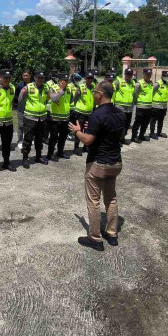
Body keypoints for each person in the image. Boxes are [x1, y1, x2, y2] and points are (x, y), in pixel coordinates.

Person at [69, 80, 125, 251]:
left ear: (100, 95)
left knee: (93, 201)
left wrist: (77, 131)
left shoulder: (97, 115)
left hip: (98, 164)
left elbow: (88, 140)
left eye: (94, 92)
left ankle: (95, 238)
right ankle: (112, 234)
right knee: (111, 198)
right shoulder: (121, 113)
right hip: (115, 163)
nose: (93, 95)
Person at [18, 70, 50, 168]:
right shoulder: (27, 87)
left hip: (42, 118)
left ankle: (38, 156)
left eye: (42, 78)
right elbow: (20, 100)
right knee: (27, 139)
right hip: (30, 118)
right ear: (34, 78)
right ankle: (25, 158)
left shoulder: (46, 87)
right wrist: (26, 111)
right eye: (38, 78)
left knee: (39, 139)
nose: (40, 80)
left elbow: (48, 98)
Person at [47, 74, 73, 162]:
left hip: (65, 118)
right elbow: (53, 98)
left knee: (63, 137)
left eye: (66, 80)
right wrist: (61, 90)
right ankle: (50, 154)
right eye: (62, 80)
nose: (64, 82)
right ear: (59, 81)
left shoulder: (69, 89)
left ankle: (60, 152)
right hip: (55, 118)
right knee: (53, 137)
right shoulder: (54, 88)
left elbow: (71, 100)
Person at [72, 72, 96, 155]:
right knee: (79, 130)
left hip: (90, 113)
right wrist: (77, 108)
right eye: (88, 78)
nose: (90, 80)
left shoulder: (94, 87)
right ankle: (76, 148)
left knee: (88, 130)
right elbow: (75, 98)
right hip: (80, 112)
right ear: (85, 78)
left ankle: (86, 146)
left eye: (91, 78)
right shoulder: (81, 87)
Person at [131, 68, 154, 143]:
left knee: (146, 122)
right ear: (144, 74)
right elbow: (135, 94)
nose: (149, 76)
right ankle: (134, 137)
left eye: (150, 74)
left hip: (149, 107)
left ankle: (141, 135)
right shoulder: (139, 83)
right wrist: (136, 102)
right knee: (138, 122)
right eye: (147, 74)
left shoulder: (151, 83)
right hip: (141, 107)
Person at [113, 69, 135, 145]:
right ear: (125, 74)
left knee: (127, 124)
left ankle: (122, 138)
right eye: (127, 74)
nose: (129, 75)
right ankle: (117, 140)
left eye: (130, 74)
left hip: (129, 107)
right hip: (120, 107)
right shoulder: (118, 82)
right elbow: (113, 92)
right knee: (120, 124)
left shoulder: (133, 83)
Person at [149, 71, 168, 139]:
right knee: (153, 120)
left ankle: (159, 132)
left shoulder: (167, 83)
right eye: (165, 76)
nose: (166, 77)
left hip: (164, 106)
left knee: (161, 120)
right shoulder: (157, 83)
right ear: (162, 76)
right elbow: (152, 92)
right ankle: (152, 133)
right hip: (156, 106)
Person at [15, 69, 32, 148]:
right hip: (21, 109)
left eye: (26, 75)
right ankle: (20, 140)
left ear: (30, 76)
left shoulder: (33, 85)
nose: (25, 77)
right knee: (21, 125)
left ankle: (29, 139)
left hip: (31, 109)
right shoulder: (19, 86)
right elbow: (16, 97)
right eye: (23, 75)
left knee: (30, 125)